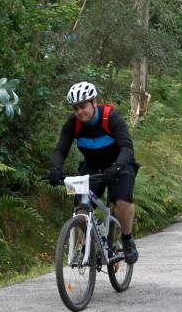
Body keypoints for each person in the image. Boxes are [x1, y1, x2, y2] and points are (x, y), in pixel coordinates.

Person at [48, 81, 140, 264]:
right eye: (76, 108)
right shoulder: (73, 124)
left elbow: (127, 147)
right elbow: (61, 149)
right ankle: (83, 248)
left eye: (83, 106)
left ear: (93, 102)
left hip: (120, 164)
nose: (80, 112)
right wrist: (56, 169)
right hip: (92, 167)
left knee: (121, 201)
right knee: (81, 206)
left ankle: (127, 239)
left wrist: (116, 166)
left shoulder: (110, 118)